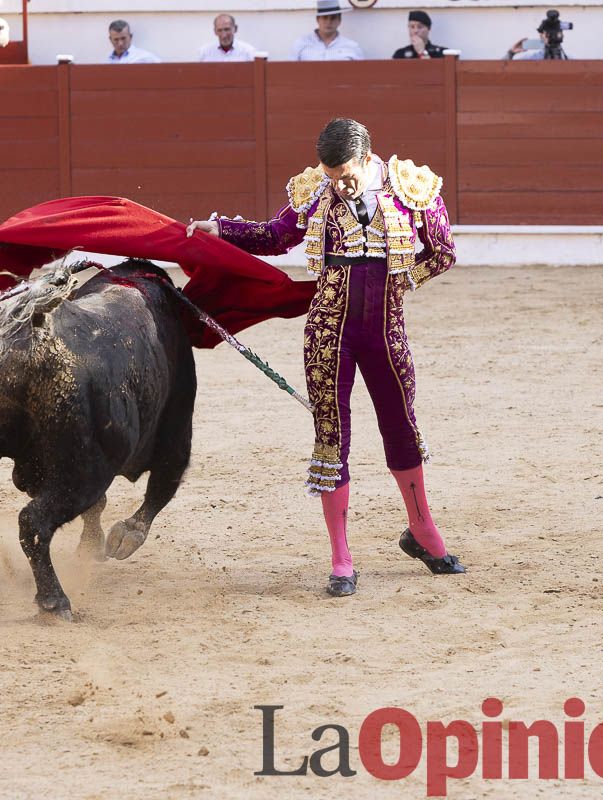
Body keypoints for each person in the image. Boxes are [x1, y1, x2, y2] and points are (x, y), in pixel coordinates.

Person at [186, 118, 466, 597]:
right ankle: (341, 557)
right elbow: (277, 236)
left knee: (401, 426)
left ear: (365, 157)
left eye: (343, 173)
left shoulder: (411, 187)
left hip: (385, 327)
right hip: (328, 329)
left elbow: (442, 252)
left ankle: (422, 532)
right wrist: (221, 229)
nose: (337, 182)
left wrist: (404, 278)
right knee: (331, 434)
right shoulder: (316, 189)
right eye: (330, 174)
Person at [291, 0, 365, 61]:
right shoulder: (301, 44)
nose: (328, 22)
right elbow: (290, 72)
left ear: (339, 20)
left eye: (333, 18)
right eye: (324, 18)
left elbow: (361, 74)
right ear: (318, 20)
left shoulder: (352, 47)